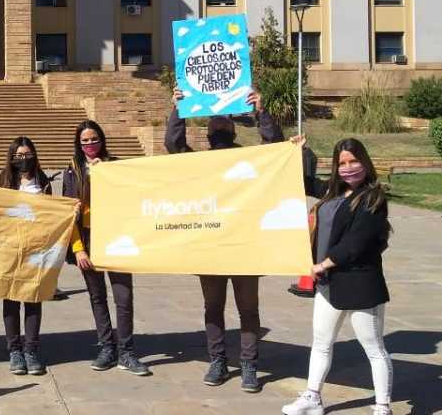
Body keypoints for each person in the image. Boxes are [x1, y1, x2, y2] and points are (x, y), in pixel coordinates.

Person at [166, 89, 283, 392]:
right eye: (214, 124)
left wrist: (262, 112)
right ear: (206, 133)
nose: (219, 127)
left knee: (248, 309)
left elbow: (276, 151)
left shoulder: (249, 160)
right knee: (213, 307)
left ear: (233, 129)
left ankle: (248, 364)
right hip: (211, 248)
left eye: (224, 123)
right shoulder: (199, 163)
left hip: (244, 247)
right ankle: (217, 360)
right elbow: (174, 146)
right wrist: (178, 109)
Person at [281, 137, 394, 415]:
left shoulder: (373, 198)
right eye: (342, 163)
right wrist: (297, 150)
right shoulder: (333, 193)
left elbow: (356, 243)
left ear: (365, 162)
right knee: (321, 343)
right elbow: (304, 182)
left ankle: (382, 406)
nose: (348, 167)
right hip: (329, 286)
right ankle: (312, 397)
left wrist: (322, 264)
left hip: (360, 285)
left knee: (374, 348)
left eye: (353, 161)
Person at [63, 120, 150, 376]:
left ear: (102, 140)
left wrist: (106, 174)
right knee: (97, 296)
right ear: (78, 145)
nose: (90, 144)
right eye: (85, 141)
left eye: (94, 139)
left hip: (115, 236)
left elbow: (132, 196)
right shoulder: (72, 171)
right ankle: (107, 347)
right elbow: (69, 213)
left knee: (123, 297)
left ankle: (127, 352)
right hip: (88, 239)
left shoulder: (116, 164)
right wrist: (78, 249)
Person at [0, 136, 53, 376]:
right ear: (11, 157)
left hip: (36, 249)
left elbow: (52, 213)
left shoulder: (43, 181)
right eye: (18, 156)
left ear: (34, 155)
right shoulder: (3, 180)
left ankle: (31, 349)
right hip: (9, 249)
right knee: (11, 300)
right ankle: (14, 350)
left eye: (27, 155)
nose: (23, 160)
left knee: (33, 299)